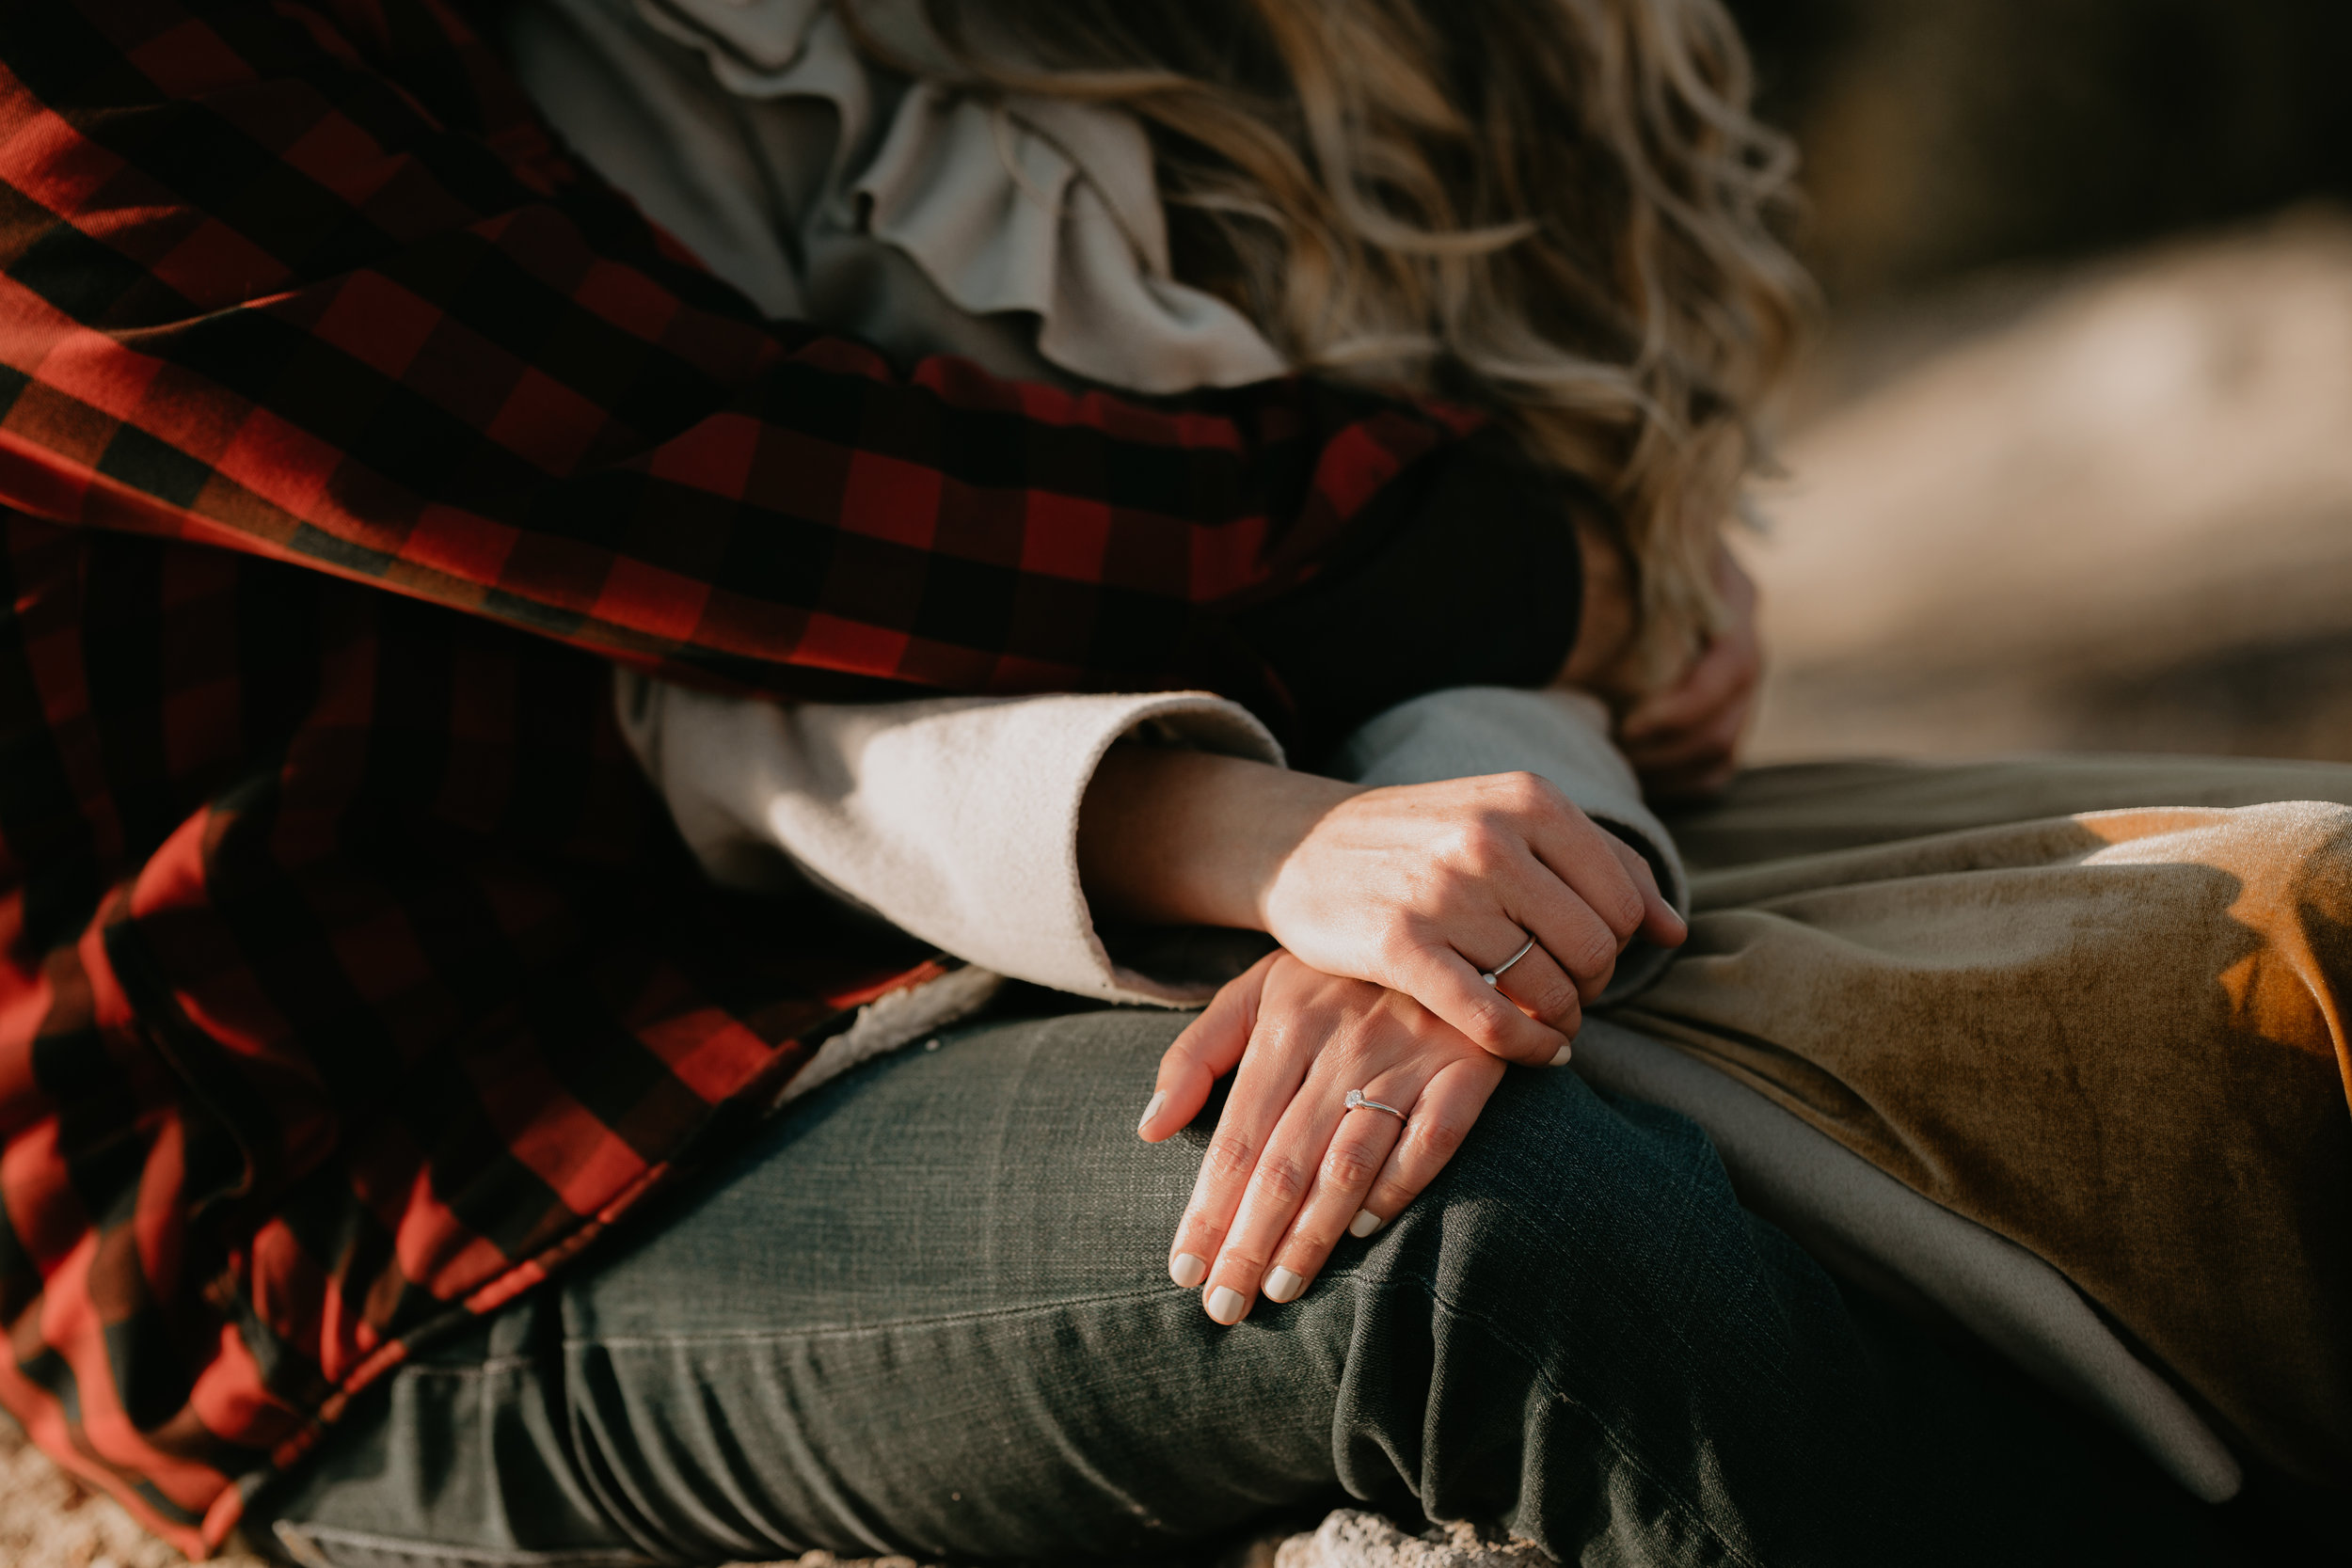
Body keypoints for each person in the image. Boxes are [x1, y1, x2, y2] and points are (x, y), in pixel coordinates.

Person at [0, 4, 2343, 1568]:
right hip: (360, 1209)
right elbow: (698, 506)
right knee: (1475, 1254)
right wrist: (1445, 610)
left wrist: (1450, 790)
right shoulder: (87, 101)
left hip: (849, 930)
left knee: (2287, 957)